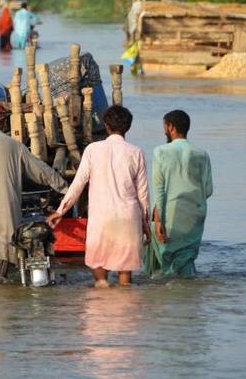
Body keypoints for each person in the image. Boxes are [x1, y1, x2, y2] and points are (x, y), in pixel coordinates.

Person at [0, 103, 68, 283]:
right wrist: (65, 188)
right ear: (4, 123)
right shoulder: (14, 145)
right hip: (4, 209)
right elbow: (41, 171)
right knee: (1, 254)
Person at [47, 105, 150, 287]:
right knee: (125, 279)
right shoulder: (136, 153)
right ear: (128, 127)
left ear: (106, 126)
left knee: (99, 272)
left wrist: (61, 210)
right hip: (128, 217)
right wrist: (146, 225)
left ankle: (101, 295)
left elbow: (78, 184)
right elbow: (143, 194)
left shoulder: (93, 150)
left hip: (101, 217)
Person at [145, 110, 213, 278]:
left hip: (170, 213)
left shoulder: (160, 152)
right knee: (187, 258)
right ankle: (190, 298)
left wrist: (159, 219)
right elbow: (209, 190)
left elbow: (159, 190)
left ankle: (171, 295)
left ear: (171, 127)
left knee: (166, 258)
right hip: (195, 214)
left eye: (164, 127)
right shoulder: (202, 154)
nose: (164, 131)